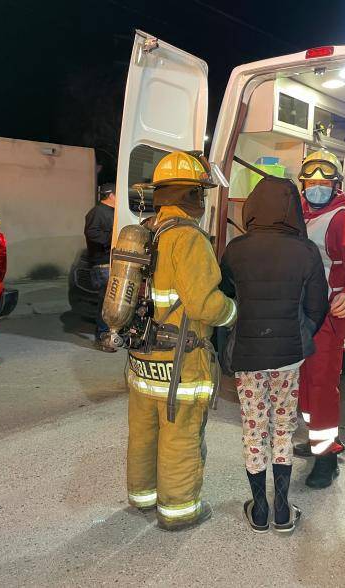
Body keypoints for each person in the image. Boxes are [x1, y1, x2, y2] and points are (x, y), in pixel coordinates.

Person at [126, 151, 237, 531]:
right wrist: (233, 313)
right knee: (180, 433)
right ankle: (179, 511)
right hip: (180, 361)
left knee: (144, 431)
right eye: (201, 194)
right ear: (193, 196)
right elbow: (205, 304)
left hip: (142, 357)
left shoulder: (146, 231)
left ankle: (143, 497)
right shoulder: (187, 239)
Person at [220, 177, 329, 533]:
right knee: (283, 427)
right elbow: (317, 307)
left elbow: (225, 302)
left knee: (255, 428)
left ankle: (260, 509)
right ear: (293, 209)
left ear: (253, 207)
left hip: (248, 356)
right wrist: (300, 335)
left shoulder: (236, 249)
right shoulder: (307, 251)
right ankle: (283, 509)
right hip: (288, 357)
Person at [293, 149, 345, 488]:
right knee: (305, 380)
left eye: (324, 183)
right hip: (303, 311)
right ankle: (316, 439)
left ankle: (328, 456)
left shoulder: (343, 219)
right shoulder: (301, 213)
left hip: (328, 312)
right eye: (311, 182)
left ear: (336, 185)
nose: (317, 188)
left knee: (321, 384)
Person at [84, 182, 116, 351]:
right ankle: (102, 336)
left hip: (112, 262)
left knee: (114, 302)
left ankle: (112, 335)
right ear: (111, 196)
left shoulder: (112, 212)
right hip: (102, 264)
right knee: (106, 302)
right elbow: (93, 234)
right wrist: (113, 236)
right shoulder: (97, 212)